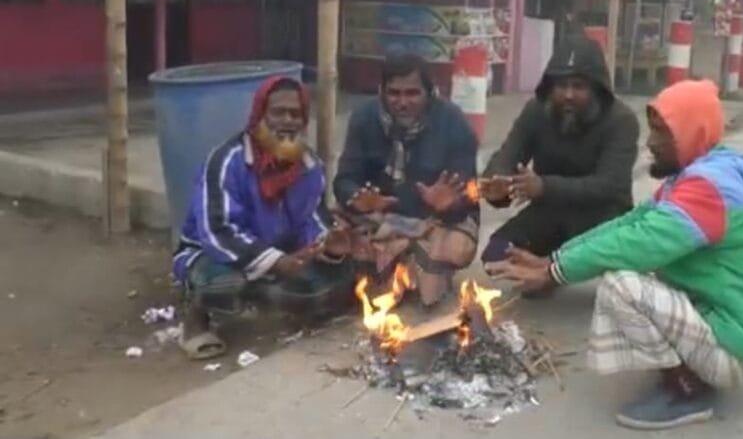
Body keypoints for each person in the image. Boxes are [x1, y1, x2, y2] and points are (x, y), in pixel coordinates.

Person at [486, 79, 743, 430]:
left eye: (663, 133)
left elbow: (637, 243)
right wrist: (556, 260)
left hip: (737, 340)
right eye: (653, 130)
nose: (652, 144)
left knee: (623, 285)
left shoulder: (708, 188)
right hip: (726, 321)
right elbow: (633, 221)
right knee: (633, 271)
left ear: (693, 133)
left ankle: (688, 391)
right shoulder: (700, 174)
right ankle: (691, 368)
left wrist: (555, 271)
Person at [172, 76, 366, 360]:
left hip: (281, 255)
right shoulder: (227, 160)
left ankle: (266, 295)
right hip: (212, 254)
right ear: (259, 116)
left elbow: (312, 220)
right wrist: (275, 260)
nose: (287, 121)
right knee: (227, 283)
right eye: (278, 112)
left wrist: (329, 245)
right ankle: (196, 315)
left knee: (341, 273)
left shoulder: (310, 165)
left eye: (295, 114)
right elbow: (218, 230)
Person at [478, 35, 640, 286]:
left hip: (602, 216)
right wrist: (498, 184)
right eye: (561, 86)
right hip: (550, 211)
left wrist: (544, 187)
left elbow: (609, 185)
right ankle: (548, 267)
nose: (568, 95)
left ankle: (550, 272)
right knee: (496, 254)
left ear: (596, 89)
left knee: (619, 274)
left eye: (578, 86)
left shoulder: (621, 120)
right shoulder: (536, 111)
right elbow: (507, 155)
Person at [333, 54, 480, 308]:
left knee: (456, 248)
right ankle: (401, 265)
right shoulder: (364, 117)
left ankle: (405, 265)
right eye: (394, 93)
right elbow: (344, 180)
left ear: (430, 93)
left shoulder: (454, 122)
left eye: (412, 94)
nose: (402, 102)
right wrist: (359, 199)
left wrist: (447, 203)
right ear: (382, 92)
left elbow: (469, 194)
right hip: (380, 220)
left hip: (435, 222)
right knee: (329, 234)